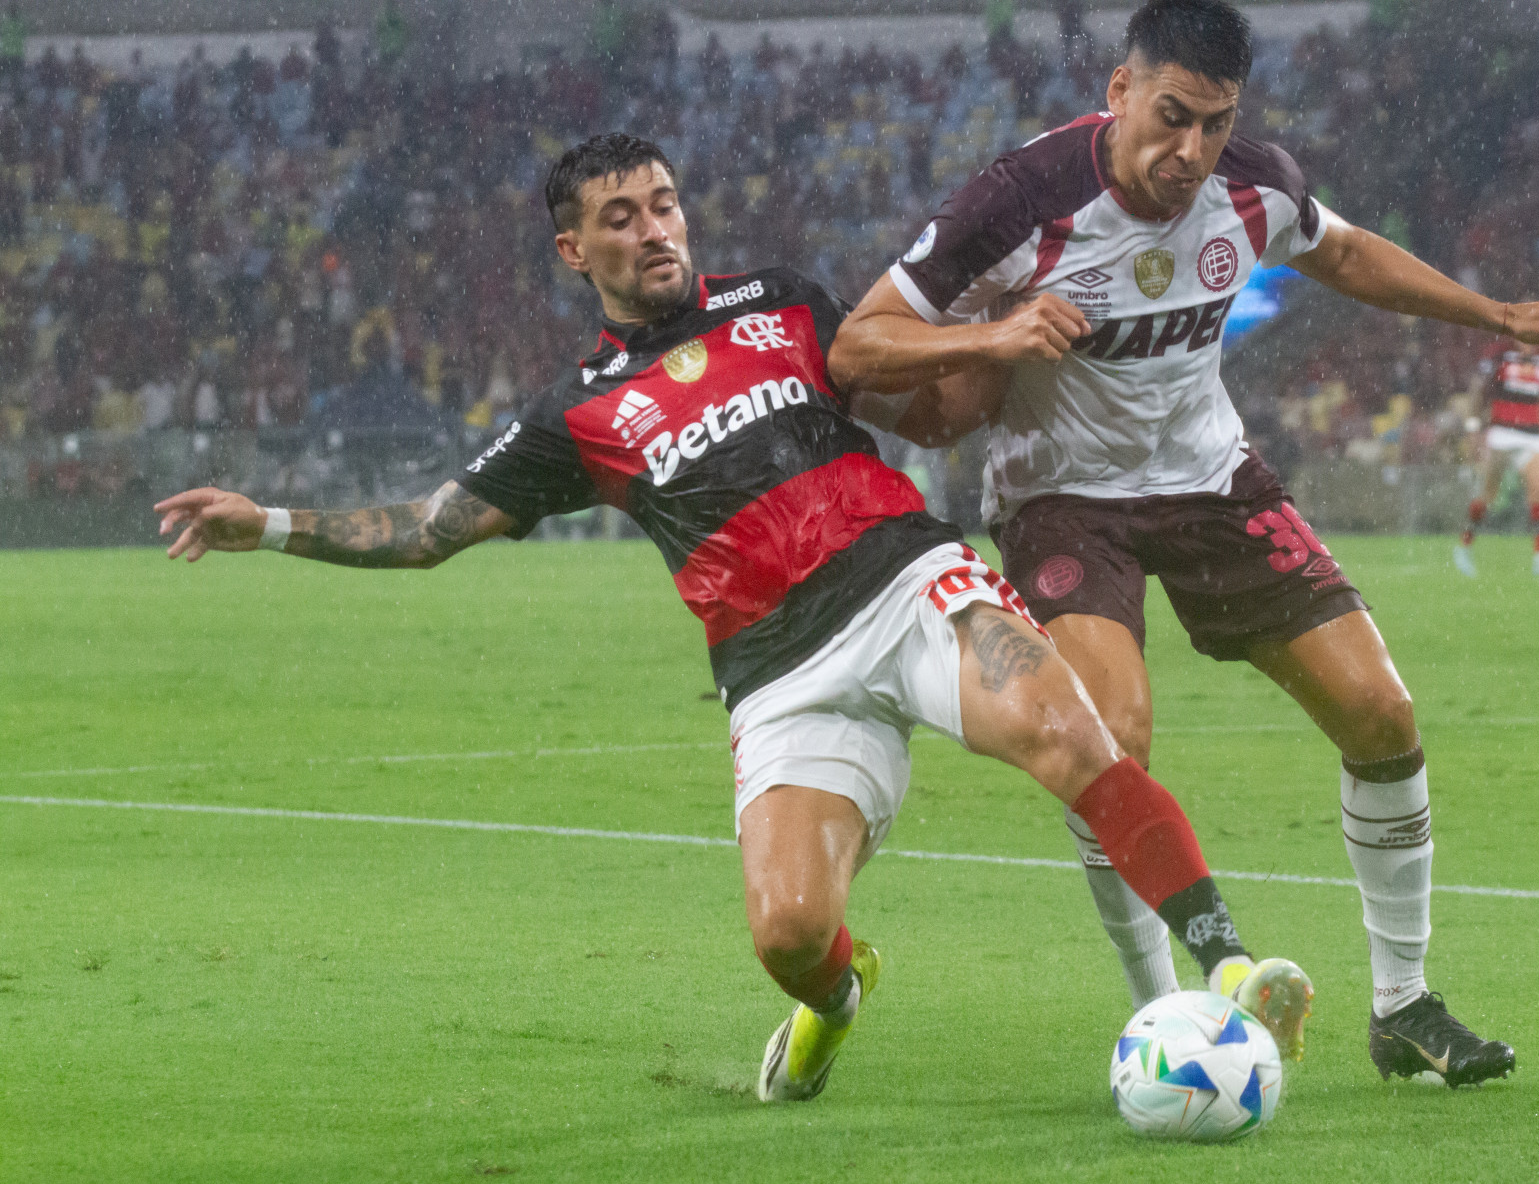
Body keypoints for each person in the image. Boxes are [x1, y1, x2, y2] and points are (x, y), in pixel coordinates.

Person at [154, 134, 1312, 1105]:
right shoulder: (578, 411)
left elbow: (934, 413)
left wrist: (995, 337)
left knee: (1070, 733)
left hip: (907, 580)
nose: (654, 228)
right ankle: (842, 993)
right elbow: (427, 526)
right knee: (790, 935)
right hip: (777, 668)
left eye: (664, 204)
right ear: (574, 250)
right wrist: (270, 521)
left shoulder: (787, 302)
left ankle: (1231, 969)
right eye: (620, 217)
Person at [829, 0, 1539, 1087]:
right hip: (1063, 502)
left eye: (1216, 125)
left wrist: (1498, 315)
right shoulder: (1023, 196)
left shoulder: (1256, 187)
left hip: (1215, 481)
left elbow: (1345, 254)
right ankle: (1172, 1017)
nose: (1190, 152)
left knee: (1382, 713)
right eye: (1173, 116)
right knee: (1117, 734)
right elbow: (859, 344)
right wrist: (999, 330)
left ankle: (1404, 1005)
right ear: (1120, 93)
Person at [1455, 341, 1539, 578]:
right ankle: (1465, 546)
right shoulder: (1499, 354)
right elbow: (1477, 389)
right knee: (1488, 494)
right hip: (1502, 432)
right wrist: (1473, 429)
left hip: (1532, 435)